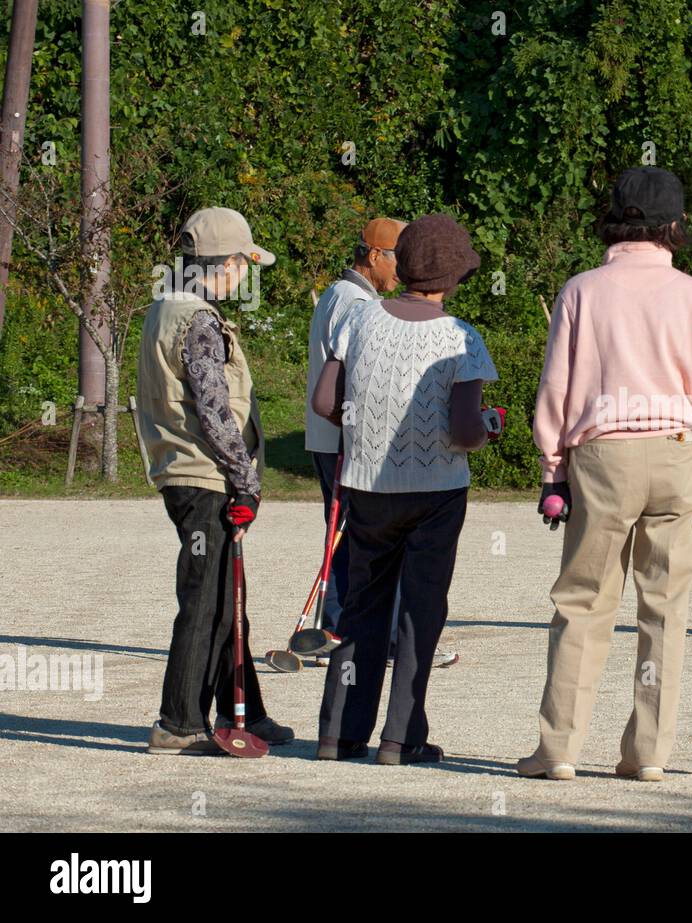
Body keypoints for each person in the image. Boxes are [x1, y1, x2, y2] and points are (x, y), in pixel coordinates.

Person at [519, 166, 692, 782]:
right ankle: (648, 755)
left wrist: (551, 469)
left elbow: (556, 392)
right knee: (664, 611)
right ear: (674, 226)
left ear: (615, 219)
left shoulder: (582, 290)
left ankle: (558, 749)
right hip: (675, 454)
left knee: (583, 604)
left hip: (603, 458)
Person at [313, 214, 500, 765]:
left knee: (361, 607)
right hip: (436, 491)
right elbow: (465, 432)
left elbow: (327, 403)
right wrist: (488, 425)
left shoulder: (362, 319)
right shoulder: (459, 337)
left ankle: (339, 734)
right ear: (454, 276)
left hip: (368, 485)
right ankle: (400, 737)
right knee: (421, 611)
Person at [136, 206, 294, 754]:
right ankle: (178, 722)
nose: (247, 275)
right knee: (206, 599)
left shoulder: (166, 306)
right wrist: (245, 480)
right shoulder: (198, 319)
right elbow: (215, 410)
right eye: (246, 262)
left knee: (227, 597)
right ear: (224, 264)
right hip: (203, 475)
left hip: (185, 470)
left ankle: (241, 709)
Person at [304, 218, 460, 669]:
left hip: (336, 436)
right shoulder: (353, 301)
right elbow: (351, 375)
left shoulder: (346, 295)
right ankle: (360, 635)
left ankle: (339, 631)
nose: (401, 269)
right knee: (361, 541)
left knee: (349, 539)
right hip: (346, 439)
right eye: (397, 257)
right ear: (374, 255)